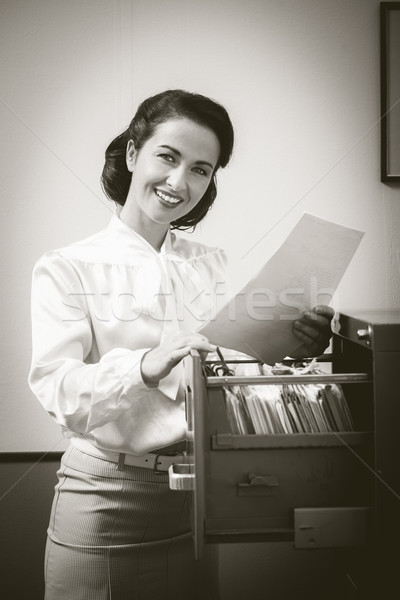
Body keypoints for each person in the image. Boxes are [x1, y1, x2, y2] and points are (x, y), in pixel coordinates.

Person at [28, 89, 334, 600]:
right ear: (132, 154)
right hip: (104, 496)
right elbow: (56, 389)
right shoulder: (67, 266)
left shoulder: (208, 262)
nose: (178, 182)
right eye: (167, 157)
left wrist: (290, 347)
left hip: (197, 494)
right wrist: (144, 365)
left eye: (200, 168)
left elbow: (228, 368)